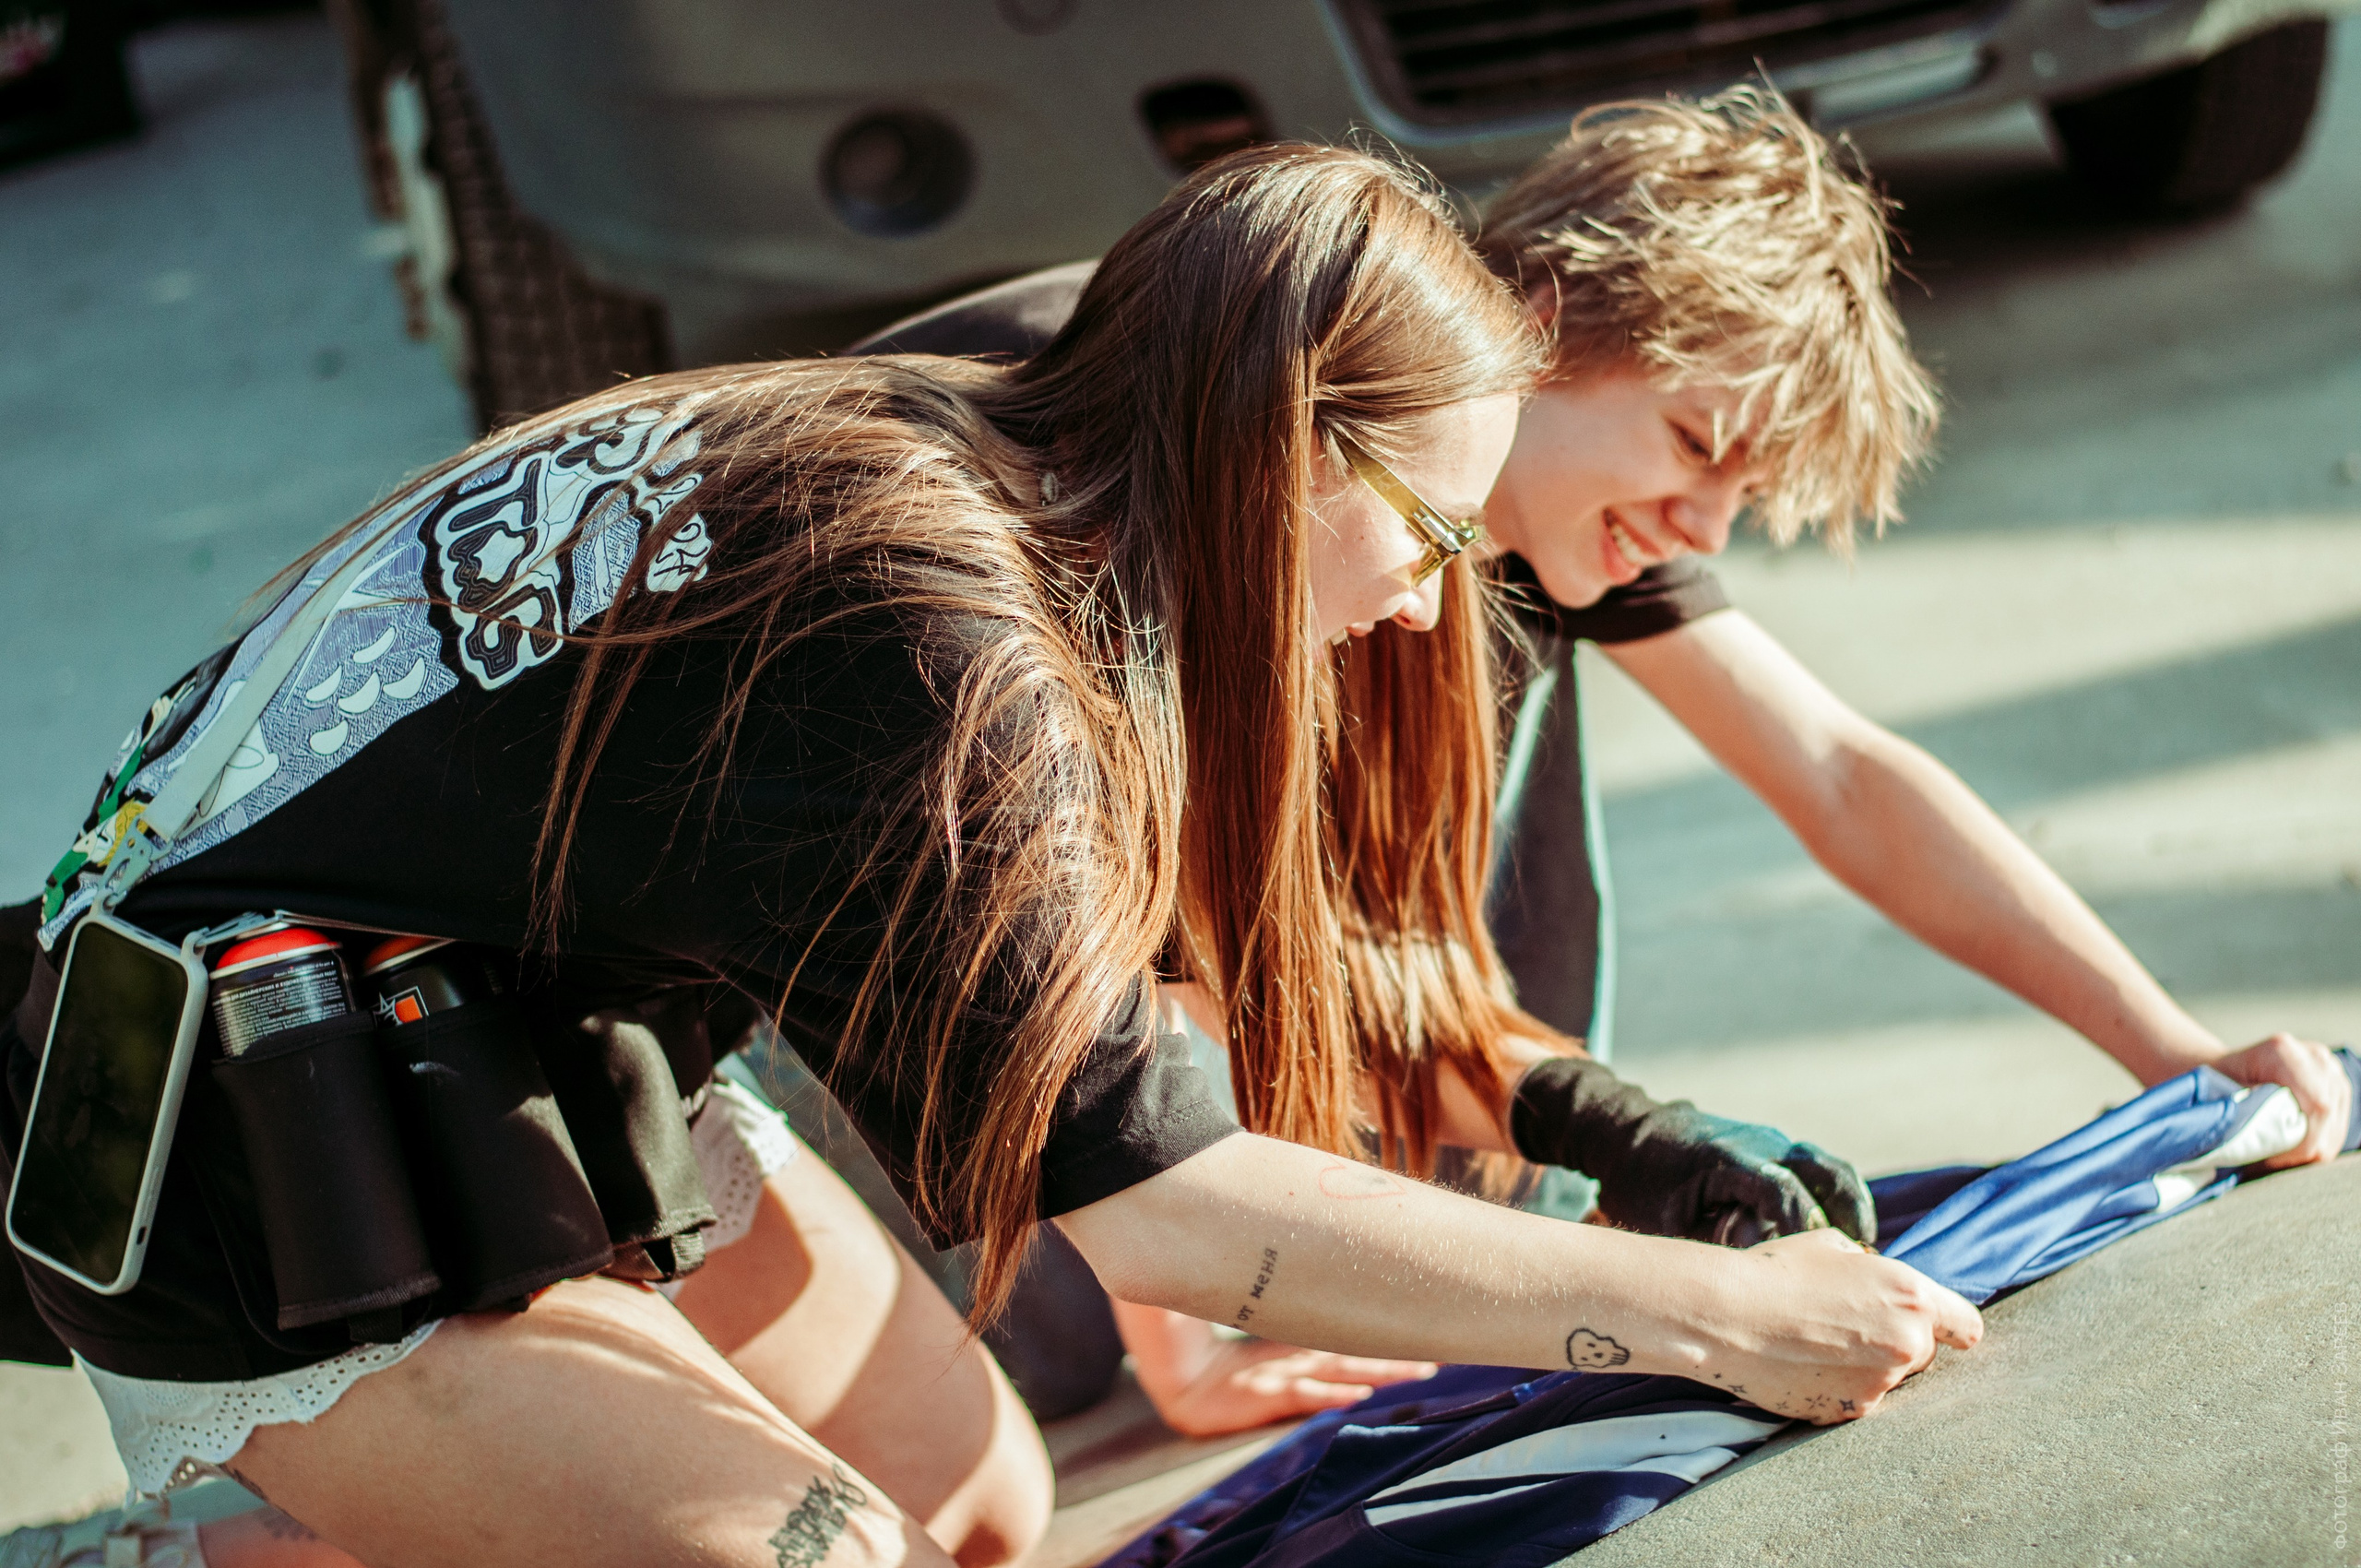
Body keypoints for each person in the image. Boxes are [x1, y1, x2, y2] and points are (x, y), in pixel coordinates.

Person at [2, 146, 1978, 1568]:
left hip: (519, 1022)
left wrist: (1597, 1122)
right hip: (238, 1118)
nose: (1416, 610)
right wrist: (1709, 1311)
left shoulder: (1046, 474)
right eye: (1428, 535)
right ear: (1286, 440)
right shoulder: (927, 630)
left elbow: (1115, 1037)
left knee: (975, 1513)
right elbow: (1172, 1198)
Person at [853, 86, 2355, 1441]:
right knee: (1009, 1376)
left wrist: (2169, 1050)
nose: (1702, 531)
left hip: (1156, 973)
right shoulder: (1199, 405)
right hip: (874, 956)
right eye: (1697, 443)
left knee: (1461, 1192)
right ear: (1549, 318)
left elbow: (1838, 772)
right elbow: (1044, 912)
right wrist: (1174, 1303)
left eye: (1742, 492)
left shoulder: (1558, 483)